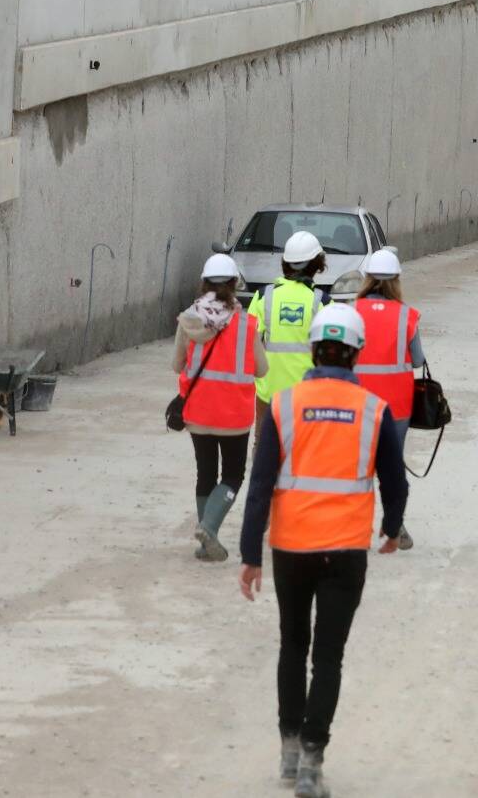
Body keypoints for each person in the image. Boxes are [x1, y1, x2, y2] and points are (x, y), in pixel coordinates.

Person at [240, 303, 408, 798]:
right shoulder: (375, 410)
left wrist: (251, 554)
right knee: (328, 658)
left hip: (291, 547)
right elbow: (395, 484)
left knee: (293, 646)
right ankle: (313, 762)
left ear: (314, 349)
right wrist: (393, 528)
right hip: (346, 550)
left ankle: (289, 752)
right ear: (356, 354)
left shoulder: (284, 405)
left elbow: (259, 484)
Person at [175, 253, 266, 562]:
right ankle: (209, 528)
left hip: (198, 412)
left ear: (204, 283)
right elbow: (263, 369)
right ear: (233, 284)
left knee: (206, 474)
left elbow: (177, 364)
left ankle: (205, 544)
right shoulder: (247, 324)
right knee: (233, 475)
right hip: (235, 416)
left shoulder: (188, 319)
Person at [351, 247, 423, 551]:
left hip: (358, 402)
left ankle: (356, 528)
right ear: (396, 281)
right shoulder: (407, 316)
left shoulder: (351, 312)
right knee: (392, 468)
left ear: (367, 278)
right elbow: (417, 361)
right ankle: (396, 526)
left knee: (359, 466)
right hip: (397, 405)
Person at [252, 230, 325, 411]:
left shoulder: (263, 296)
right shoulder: (322, 302)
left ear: (286, 262)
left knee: (264, 440)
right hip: (307, 396)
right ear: (317, 265)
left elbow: (248, 344)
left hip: (267, 394)